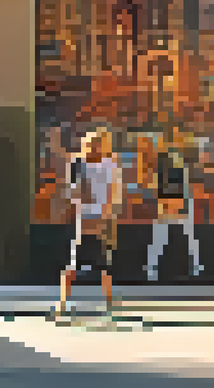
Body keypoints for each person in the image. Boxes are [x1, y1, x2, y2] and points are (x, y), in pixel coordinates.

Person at [56, 129, 123, 317]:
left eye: (99, 143)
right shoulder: (78, 163)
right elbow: (73, 192)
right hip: (85, 220)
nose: (95, 147)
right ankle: (62, 304)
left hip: (102, 219)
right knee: (73, 267)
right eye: (92, 143)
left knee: (104, 266)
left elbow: (113, 192)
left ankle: (109, 306)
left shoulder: (109, 164)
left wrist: (106, 218)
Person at [147, 136, 203, 281]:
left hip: (178, 207)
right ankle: (152, 269)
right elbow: (158, 192)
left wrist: (180, 207)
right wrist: (165, 208)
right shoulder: (161, 171)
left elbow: (184, 191)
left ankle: (195, 267)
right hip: (167, 208)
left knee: (190, 237)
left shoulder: (182, 170)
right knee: (159, 239)